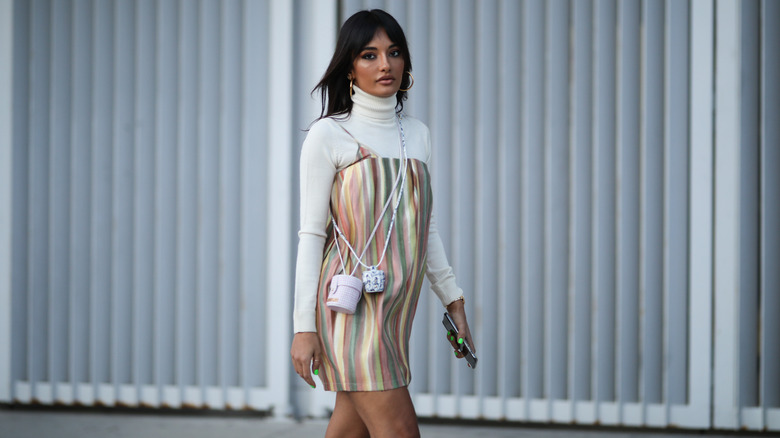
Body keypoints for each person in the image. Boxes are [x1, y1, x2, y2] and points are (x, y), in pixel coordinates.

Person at [290, 9, 475, 438]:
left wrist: (454, 300)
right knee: (400, 430)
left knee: (348, 429)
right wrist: (304, 328)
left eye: (393, 53)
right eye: (369, 55)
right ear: (349, 67)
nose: (385, 64)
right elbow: (311, 236)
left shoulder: (418, 134)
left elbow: (424, 227)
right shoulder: (328, 135)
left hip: (395, 310)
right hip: (347, 308)